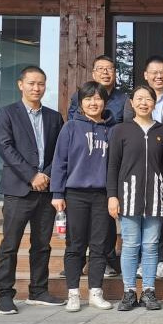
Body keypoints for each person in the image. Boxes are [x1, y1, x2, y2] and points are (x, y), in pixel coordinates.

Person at [0, 66, 65, 314]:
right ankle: (5, 294)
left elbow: (60, 152)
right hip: (18, 190)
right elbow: (6, 148)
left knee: (42, 244)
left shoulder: (54, 117)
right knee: (10, 244)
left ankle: (38, 291)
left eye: (41, 84)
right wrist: (31, 175)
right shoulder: (7, 113)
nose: (36, 88)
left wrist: (46, 175)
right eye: (32, 83)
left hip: (46, 190)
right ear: (20, 84)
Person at [51, 81, 115, 312]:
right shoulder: (70, 128)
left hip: (102, 195)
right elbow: (60, 161)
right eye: (88, 99)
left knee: (99, 246)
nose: (93, 103)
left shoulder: (112, 129)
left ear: (104, 102)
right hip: (75, 194)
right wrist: (57, 193)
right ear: (81, 103)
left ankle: (96, 292)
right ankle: (73, 293)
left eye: (98, 98)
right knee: (75, 246)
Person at [65, 54, 125, 278]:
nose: (105, 72)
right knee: (77, 230)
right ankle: (76, 264)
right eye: (101, 68)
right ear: (93, 73)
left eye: (110, 68)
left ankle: (106, 262)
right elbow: (73, 124)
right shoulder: (78, 98)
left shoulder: (123, 99)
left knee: (104, 228)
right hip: (80, 174)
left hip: (106, 168)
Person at [108, 85, 163, 312]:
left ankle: (149, 290)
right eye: (139, 99)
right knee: (131, 245)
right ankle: (129, 291)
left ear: (154, 103)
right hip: (128, 195)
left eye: (148, 99)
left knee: (151, 246)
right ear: (131, 103)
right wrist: (112, 196)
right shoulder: (121, 130)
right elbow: (112, 166)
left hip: (155, 195)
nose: (144, 103)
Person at [123, 56, 163, 280]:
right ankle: (134, 277)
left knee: (157, 229)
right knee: (132, 236)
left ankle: (160, 266)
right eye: (154, 72)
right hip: (134, 179)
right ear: (145, 75)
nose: (158, 76)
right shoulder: (131, 108)